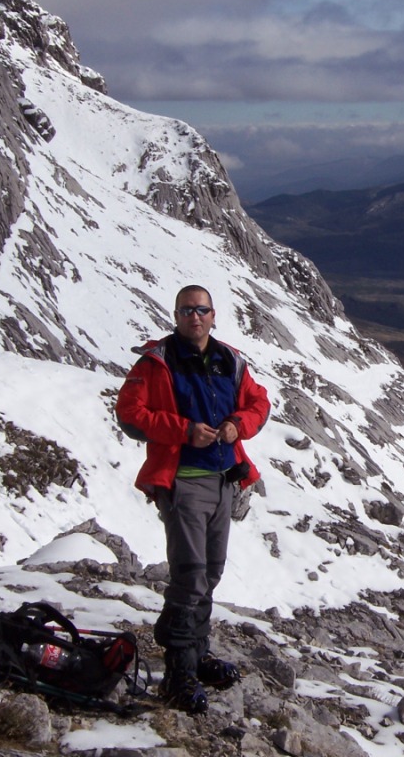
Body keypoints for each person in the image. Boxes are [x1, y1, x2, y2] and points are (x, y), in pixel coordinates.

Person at [116, 284, 270, 713]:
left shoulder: (229, 360)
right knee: (190, 575)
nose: (195, 317)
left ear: (213, 315)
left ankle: (195, 652)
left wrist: (239, 423)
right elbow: (130, 414)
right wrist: (182, 430)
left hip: (224, 480)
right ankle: (178, 672)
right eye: (187, 310)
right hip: (183, 482)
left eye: (201, 310)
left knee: (212, 571)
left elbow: (259, 402)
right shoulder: (158, 363)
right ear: (176, 315)